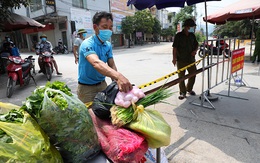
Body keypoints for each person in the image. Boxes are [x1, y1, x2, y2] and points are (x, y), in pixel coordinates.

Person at [77, 11, 132, 103]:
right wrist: (119, 76)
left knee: (104, 112)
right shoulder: (87, 44)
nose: (109, 30)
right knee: (90, 115)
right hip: (86, 88)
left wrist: (115, 82)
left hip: (102, 85)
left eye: (110, 27)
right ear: (95, 27)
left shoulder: (108, 45)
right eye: (105, 27)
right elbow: (96, 63)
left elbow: (111, 64)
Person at [172, 18, 199, 100]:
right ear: (187, 26)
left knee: (193, 74)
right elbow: (175, 48)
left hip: (191, 59)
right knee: (181, 77)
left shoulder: (192, 35)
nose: (193, 28)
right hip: (181, 60)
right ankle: (182, 92)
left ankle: (189, 89)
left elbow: (196, 45)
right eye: (192, 27)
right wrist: (174, 58)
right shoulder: (178, 36)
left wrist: (195, 51)